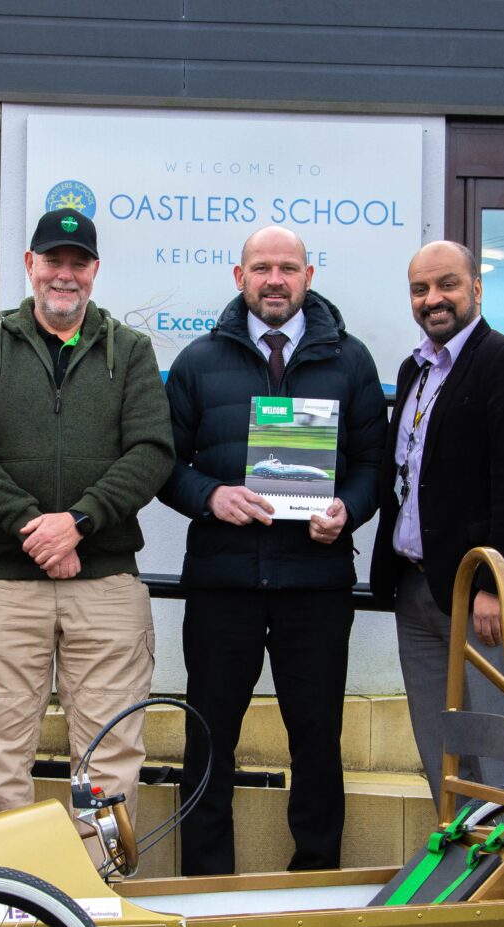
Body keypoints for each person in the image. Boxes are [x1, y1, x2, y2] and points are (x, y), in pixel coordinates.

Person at [0, 209, 172, 850]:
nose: (64, 275)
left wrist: (78, 523)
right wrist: (33, 530)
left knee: (110, 759)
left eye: (77, 262)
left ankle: (100, 905)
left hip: (105, 586)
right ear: (30, 266)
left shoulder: (129, 351)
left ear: (94, 271)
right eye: (53, 261)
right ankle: (7, 911)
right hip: (6, 587)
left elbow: (152, 451)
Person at [161, 225, 385, 876]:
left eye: (288, 267)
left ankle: (315, 880)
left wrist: (349, 510)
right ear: (239, 278)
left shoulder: (351, 361)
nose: (275, 279)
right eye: (262, 267)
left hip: (315, 585)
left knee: (317, 745)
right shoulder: (200, 362)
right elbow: (163, 463)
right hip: (222, 584)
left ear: (309, 277)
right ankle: (205, 888)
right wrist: (210, 496)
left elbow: (373, 463)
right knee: (208, 742)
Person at [369, 241, 504, 806]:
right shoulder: (414, 369)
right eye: (420, 289)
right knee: (440, 746)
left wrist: (494, 587)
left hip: (478, 594)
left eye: (447, 284)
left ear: (477, 288)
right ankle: (460, 869)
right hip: (417, 588)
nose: (433, 299)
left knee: (492, 750)